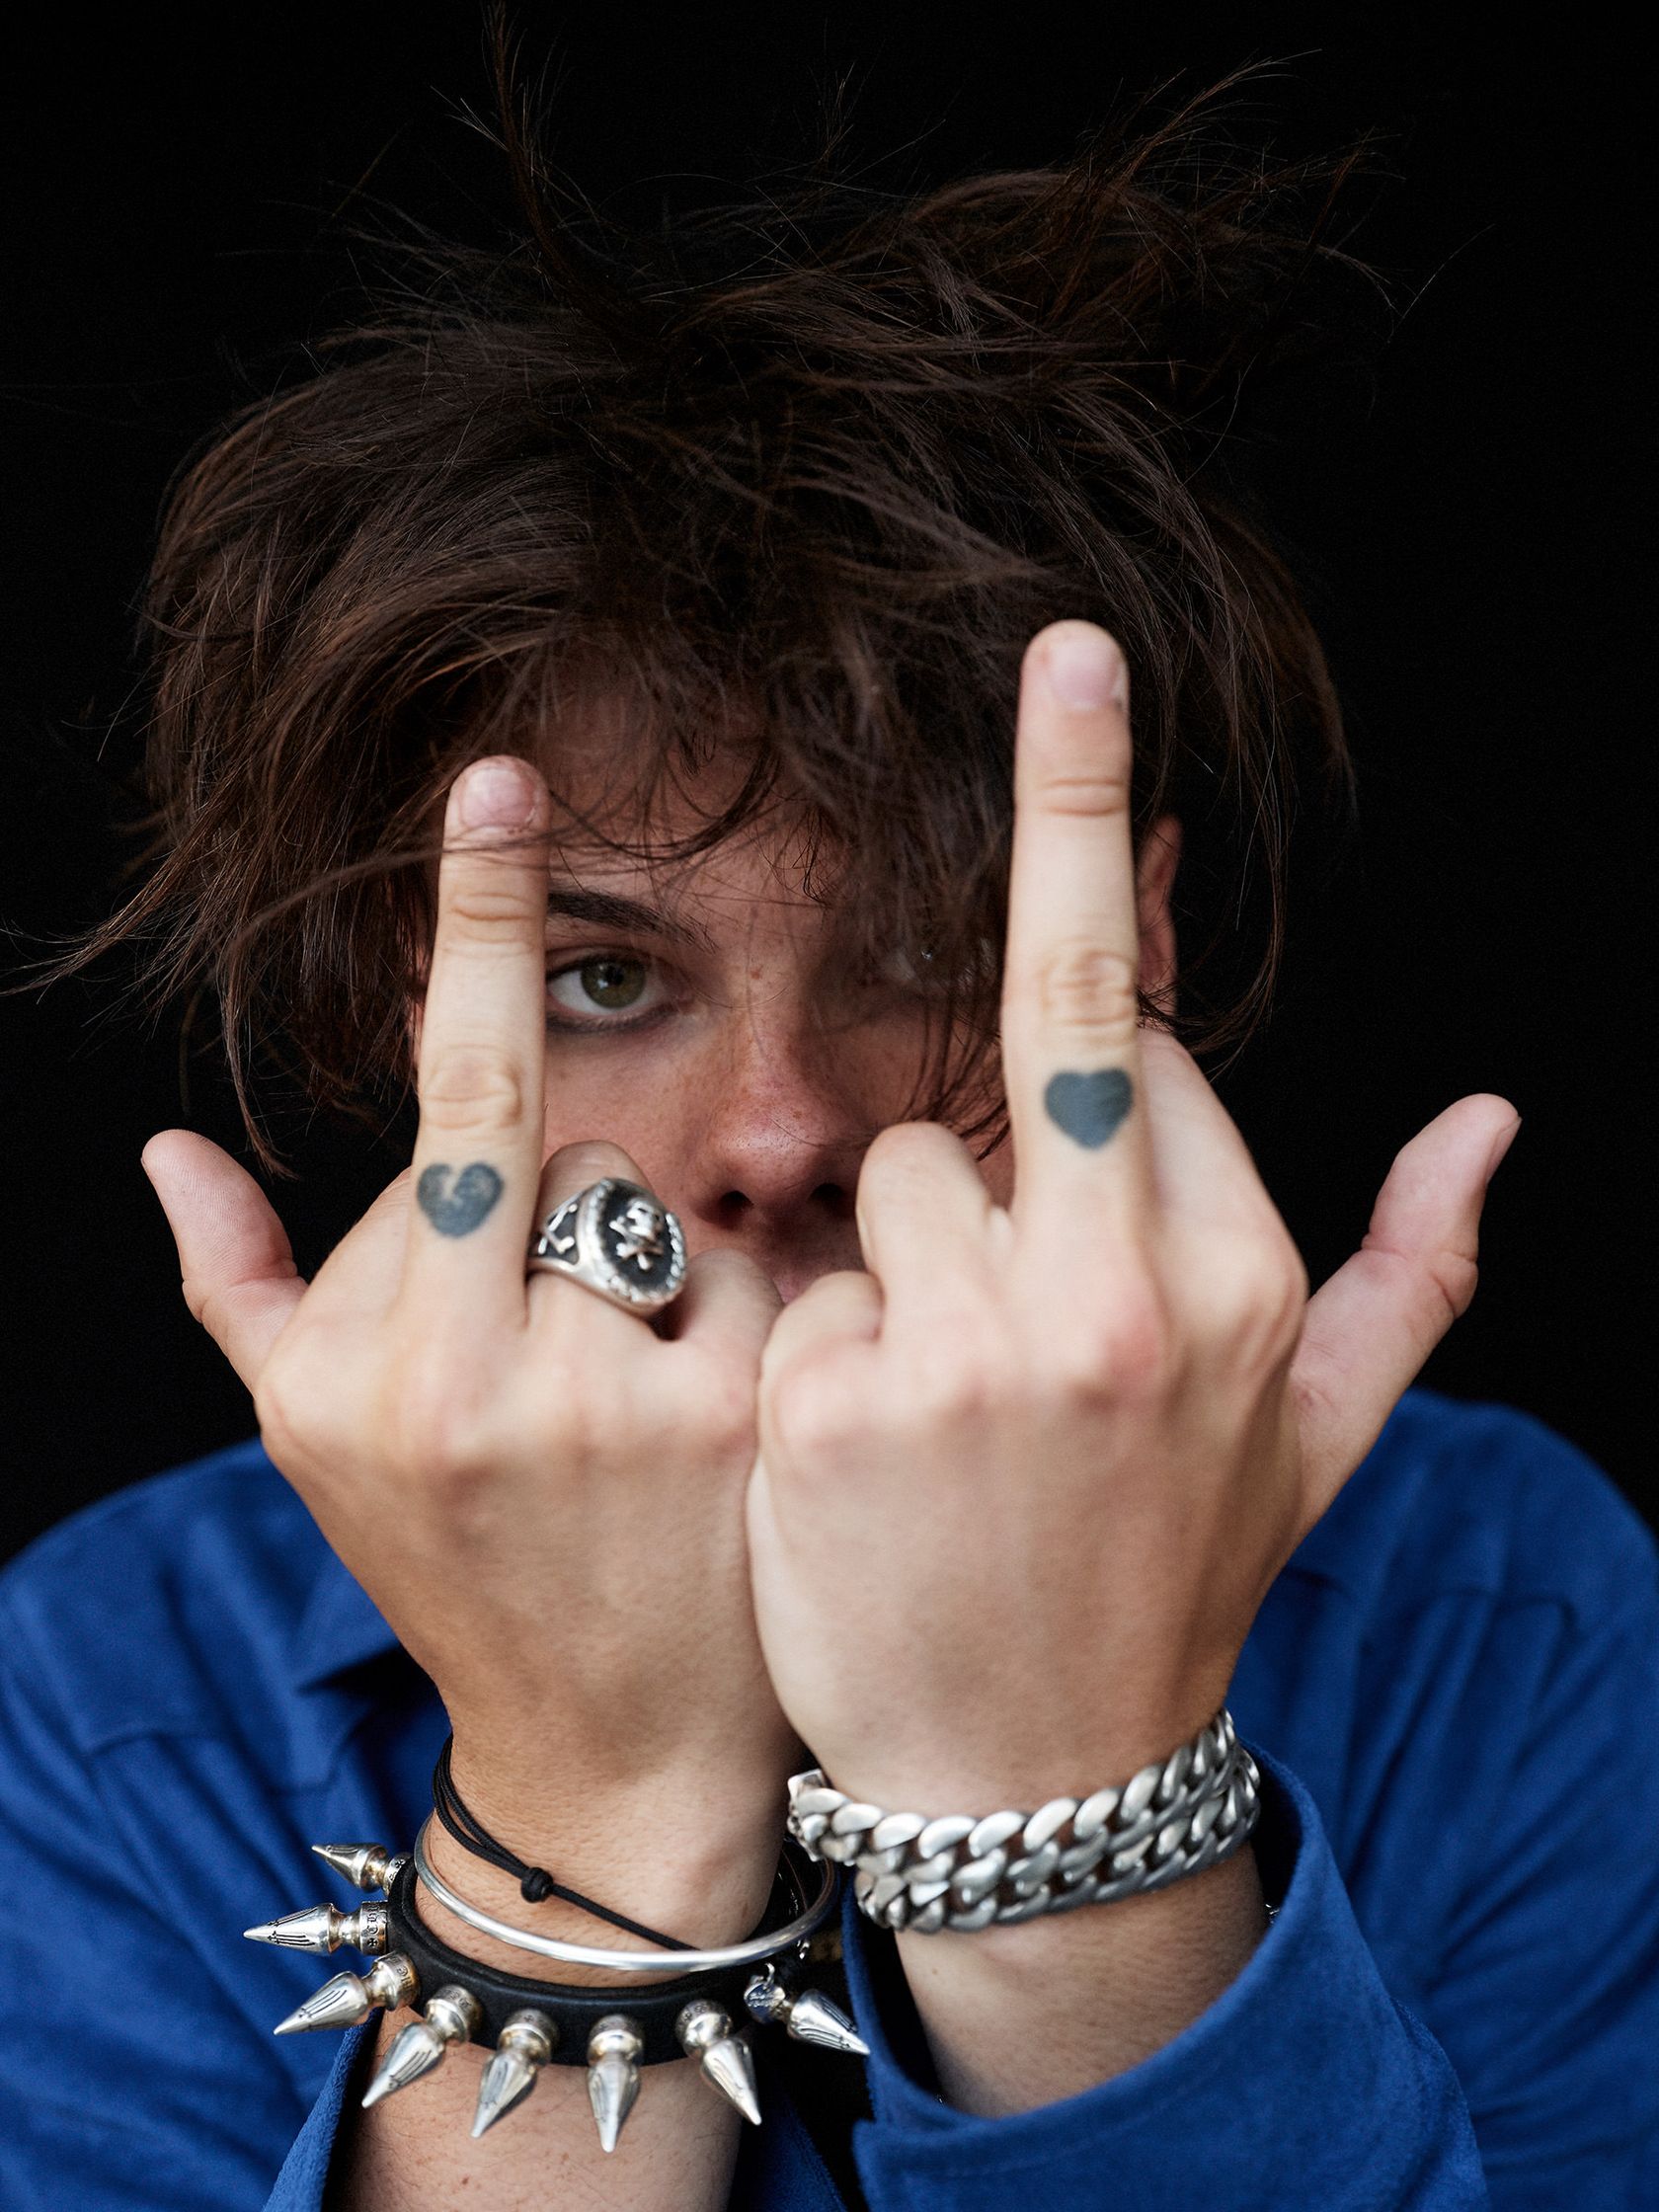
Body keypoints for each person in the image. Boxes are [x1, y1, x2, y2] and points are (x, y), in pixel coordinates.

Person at [2, 84, 1655, 2212]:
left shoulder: (1506, 1611)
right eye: (606, 977)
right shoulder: (111, 1685)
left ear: (1128, 944)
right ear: (410, 1007)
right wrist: (587, 1801)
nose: (781, 1127)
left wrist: (1066, 1800)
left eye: (926, 950)